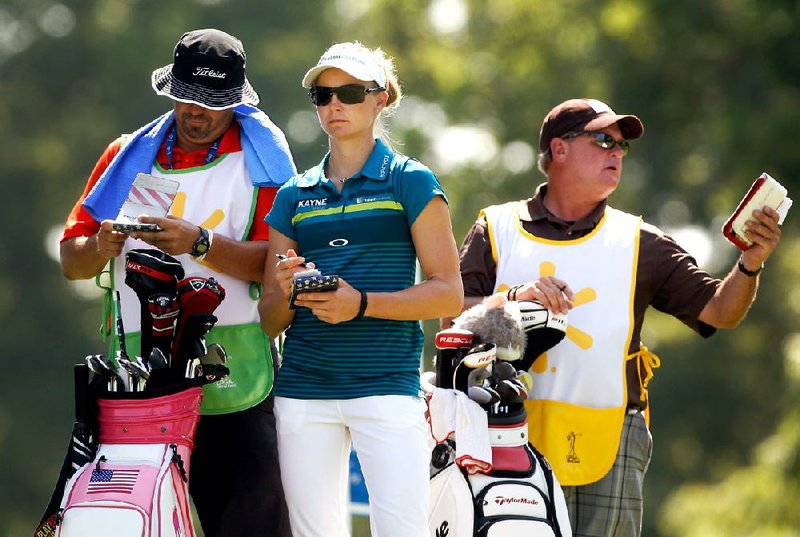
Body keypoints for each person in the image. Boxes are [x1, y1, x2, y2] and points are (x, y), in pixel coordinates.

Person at [454, 98, 782, 537]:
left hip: (612, 434)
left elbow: (720, 311)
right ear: (560, 149)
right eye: (603, 140)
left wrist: (750, 263)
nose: (616, 153)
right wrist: (513, 298)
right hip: (501, 428)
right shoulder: (495, 228)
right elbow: (448, 317)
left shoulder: (642, 240)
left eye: (622, 146)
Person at [59, 28, 296, 537]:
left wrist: (199, 242)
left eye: (212, 103)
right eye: (186, 97)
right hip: (136, 372)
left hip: (235, 369)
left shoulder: (264, 169)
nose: (196, 112)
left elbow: (275, 265)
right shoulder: (124, 155)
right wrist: (99, 246)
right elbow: (71, 261)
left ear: (236, 101)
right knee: (129, 522)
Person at [258, 41, 463, 537]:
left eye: (349, 92)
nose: (333, 105)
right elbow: (269, 319)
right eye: (322, 95)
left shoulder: (411, 182)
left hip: (387, 386)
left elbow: (448, 293)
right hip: (304, 391)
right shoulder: (294, 194)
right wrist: (286, 289)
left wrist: (361, 304)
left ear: (381, 99)